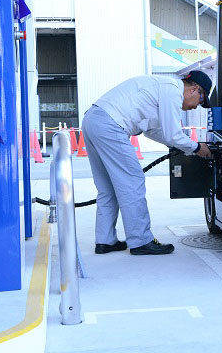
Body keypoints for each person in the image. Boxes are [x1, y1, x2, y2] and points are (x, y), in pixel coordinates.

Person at [81, 70, 213, 255]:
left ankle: (105, 240)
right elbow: (173, 134)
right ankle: (141, 241)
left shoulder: (162, 89)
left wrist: (185, 146)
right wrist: (197, 147)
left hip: (93, 120)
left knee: (108, 188)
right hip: (111, 125)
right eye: (201, 100)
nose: (196, 106)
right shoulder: (173, 90)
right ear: (194, 89)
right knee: (133, 182)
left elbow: (153, 131)